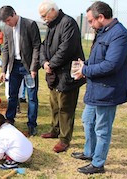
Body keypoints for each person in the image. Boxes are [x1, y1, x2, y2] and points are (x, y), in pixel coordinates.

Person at [72, 1, 127, 174]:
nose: (90, 24)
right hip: (95, 87)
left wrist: (86, 70)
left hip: (108, 90)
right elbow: (98, 58)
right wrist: (86, 64)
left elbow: (111, 65)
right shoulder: (103, 32)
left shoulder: (119, 35)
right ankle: (89, 152)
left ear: (101, 17)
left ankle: (98, 163)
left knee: (102, 128)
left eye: (91, 21)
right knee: (87, 120)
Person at [38, 0, 86, 153]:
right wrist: (44, 62)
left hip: (67, 73)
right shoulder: (51, 26)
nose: (43, 19)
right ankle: (55, 129)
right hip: (53, 74)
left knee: (65, 107)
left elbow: (66, 49)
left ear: (53, 11)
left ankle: (64, 139)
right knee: (54, 104)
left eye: (44, 15)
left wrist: (51, 64)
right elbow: (43, 46)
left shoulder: (68, 23)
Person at [0, 6, 41, 136]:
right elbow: (5, 49)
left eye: (9, 20)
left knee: (32, 97)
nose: (8, 23)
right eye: (5, 22)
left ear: (14, 14)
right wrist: (3, 69)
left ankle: (32, 124)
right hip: (14, 66)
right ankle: (9, 120)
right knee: (12, 95)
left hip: (28, 66)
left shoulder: (30, 24)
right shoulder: (6, 28)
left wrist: (34, 67)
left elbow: (36, 47)